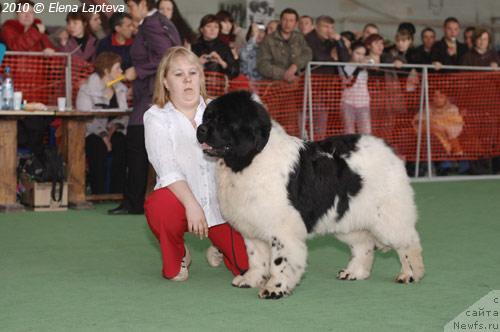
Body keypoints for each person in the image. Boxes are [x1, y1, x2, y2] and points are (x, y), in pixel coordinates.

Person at [143, 47, 249, 281]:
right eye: (178, 74)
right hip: (180, 202)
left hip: (222, 208)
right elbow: (167, 167)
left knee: (250, 270)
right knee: (159, 206)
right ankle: (179, 254)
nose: (187, 79)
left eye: (193, 72)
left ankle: (219, 245)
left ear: (201, 77)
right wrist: (192, 204)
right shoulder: (155, 117)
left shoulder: (220, 111)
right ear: (166, 82)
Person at [108, 0, 181, 215]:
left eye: (131, 6)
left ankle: (134, 202)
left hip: (152, 97)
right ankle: (136, 201)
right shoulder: (163, 22)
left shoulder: (151, 24)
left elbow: (165, 56)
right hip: (153, 94)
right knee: (145, 149)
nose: (130, 12)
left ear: (141, 4)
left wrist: (137, 71)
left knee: (136, 147)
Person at [76, 52, 128, 194]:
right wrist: (104, 134)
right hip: (92, 131)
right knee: (97, 147)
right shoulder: (86, 89)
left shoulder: (121, 88)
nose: (121, 71)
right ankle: (98, 192)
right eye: (118, 68)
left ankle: (117, 192)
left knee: (121, 143)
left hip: (114, 130)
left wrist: (113, 128)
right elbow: (85, 117)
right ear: (106, 71)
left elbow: (124, 114)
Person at [257, 8, 312, 82]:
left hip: (296, 83)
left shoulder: (299, 38)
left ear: (296, 23)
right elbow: (262, 65)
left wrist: (295, 65)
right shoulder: (268, 39)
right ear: (280, 21)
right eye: (285, 20)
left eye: (291, 21)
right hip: (273, 84)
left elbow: (308, 53)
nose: (287, 24)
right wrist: (284, 74)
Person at [191, 14, 240, 79]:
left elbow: (235, 72)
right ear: (201, 29)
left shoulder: (224, 47)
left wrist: (221, 62)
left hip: (218, 86)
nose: (212, 29)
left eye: (216, 27)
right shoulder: (193, 47)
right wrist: (198, 63)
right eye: (208, 26)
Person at [340, 42, 371, 135]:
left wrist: (369, 62)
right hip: (348, 103)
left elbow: (374, 64)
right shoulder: (345, 66)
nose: (360, 57)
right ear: (351, 52)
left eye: (363, 54)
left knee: (366, 132)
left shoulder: (366, 65)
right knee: (349, 132)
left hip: (364, 103)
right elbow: (348, 82)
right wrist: (359, 68)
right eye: (357, 53)